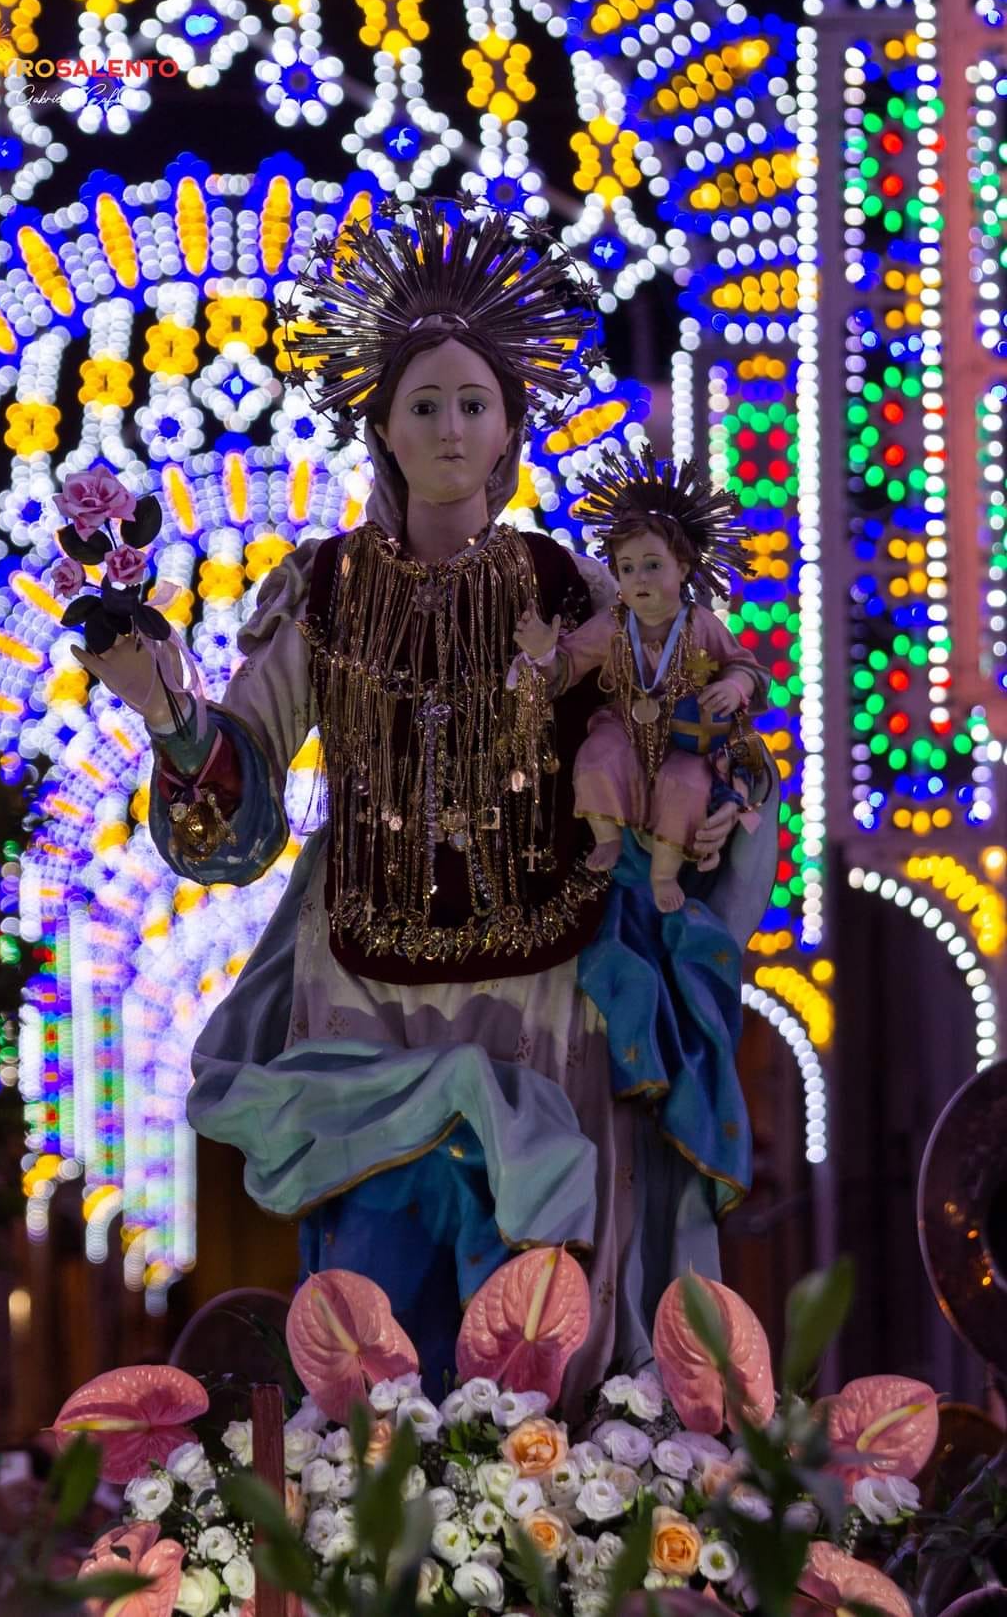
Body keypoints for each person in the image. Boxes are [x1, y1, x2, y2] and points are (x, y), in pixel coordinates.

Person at [69, 201, 777, 1410]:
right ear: (382, 428)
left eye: (474, 404)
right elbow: (236, 810)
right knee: (372, 1315)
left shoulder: (573, 589)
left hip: (541, 995)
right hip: (367, 1006)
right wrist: (173, 716)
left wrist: (715, 804)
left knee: (535, 1323)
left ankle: (550, 1512)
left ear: (510, 429)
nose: (451, 428)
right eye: (425, 404)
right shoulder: (326, 592)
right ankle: (377, 1515)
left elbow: (690, 725)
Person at [510, 443, 768, 913]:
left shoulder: (701, 625)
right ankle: (607, 837)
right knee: (597, 757)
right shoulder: (611, 625)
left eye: (653, 565)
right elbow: (566, 665)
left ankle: (664, 872)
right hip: (623, 726)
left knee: (686, 786)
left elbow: (745, 666)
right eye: (627, 569)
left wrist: (734, 687)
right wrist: (544, 650)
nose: (640, 578)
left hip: (685, 737)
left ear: (683, 568)